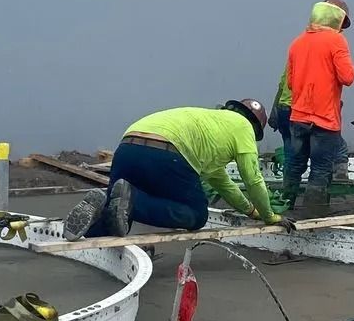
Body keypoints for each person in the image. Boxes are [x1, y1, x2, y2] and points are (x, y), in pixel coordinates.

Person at [63, 99, 278, 239]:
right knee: (196, 214)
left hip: (127, 147)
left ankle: (96, 218)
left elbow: (225, 186)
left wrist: (250, 211)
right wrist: (269, 216)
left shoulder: (212, 128)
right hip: (167, 153)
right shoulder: (243, 128)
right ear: (255, 127)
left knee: (118, 217)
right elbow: (253, 179)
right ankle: (131, 201)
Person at [281, 0, 354, 218]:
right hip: (325, 118)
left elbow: (291, 83)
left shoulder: (297, 43)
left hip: (299, 116)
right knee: (321, 168)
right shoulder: (337, 40)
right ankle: (313, 214)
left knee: (294, 164)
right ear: (336, 19)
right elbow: (348, 77)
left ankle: (284, 206)